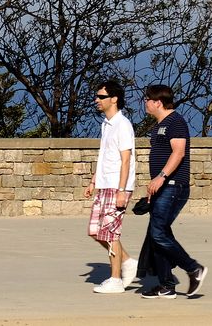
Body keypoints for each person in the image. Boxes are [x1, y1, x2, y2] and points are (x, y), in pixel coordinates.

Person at [140, 84, 208, 299]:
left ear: (158, 102)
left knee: (158, 233)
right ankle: (167, 285)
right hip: (162, 188)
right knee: (158, 234)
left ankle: (193, 268)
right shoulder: (159, 125)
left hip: (173, 187)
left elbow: (178, 153)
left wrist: (161, 177)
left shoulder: (175, 122)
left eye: (147, 99)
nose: (145, 102)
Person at [85, 79, 137, 294]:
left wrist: (123, 191)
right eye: (97, 97)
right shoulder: (106, 125)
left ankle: (115, 279)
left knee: (111, 234)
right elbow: (105, 156)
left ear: (114, 99)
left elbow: (126, 160)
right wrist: (94, 181)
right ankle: (127, 262)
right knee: (95, 231)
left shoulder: (122, 125)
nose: (97, 100)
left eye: (101, 97)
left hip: (117, 186)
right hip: (104, 185)